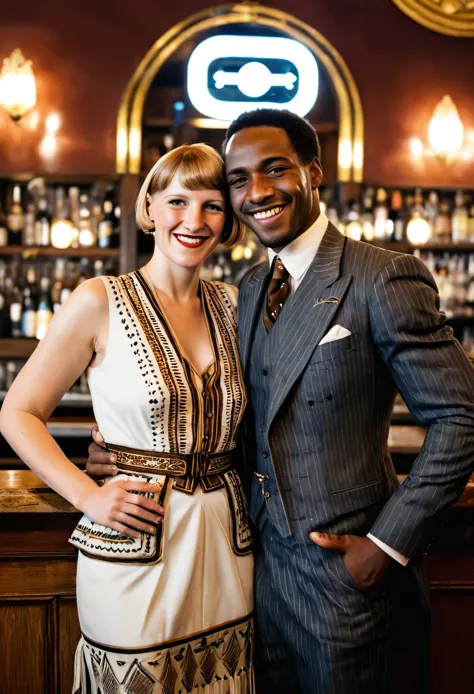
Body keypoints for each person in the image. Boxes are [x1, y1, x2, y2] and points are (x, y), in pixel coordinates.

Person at [86, 109, 474, 694]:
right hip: (250, 576)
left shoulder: (382, 276)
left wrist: (387, 545)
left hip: (346, 582)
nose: (257, 191)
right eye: (238, 179)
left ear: (313, 172)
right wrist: (131, 450)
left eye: (276, 170)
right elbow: (235, 418)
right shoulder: (242, 290)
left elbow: (461, 418)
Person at [0, 144, 255, 694]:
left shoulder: (236, 305)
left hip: (227, 545)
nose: (194, 221)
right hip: (134, 543)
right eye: (178, 201)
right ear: (149, 207)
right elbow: (17, 413)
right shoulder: (98, 300)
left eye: (213, 206)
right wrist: (88, 495)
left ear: (229, 220)